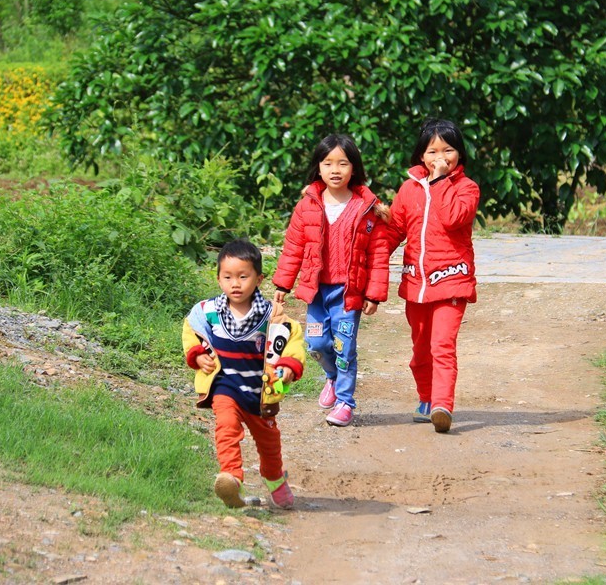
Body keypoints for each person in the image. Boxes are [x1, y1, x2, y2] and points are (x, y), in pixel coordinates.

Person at [273, 133, 390, 427]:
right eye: (328, 163)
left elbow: (378, 254)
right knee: (315, 342)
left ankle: (345, 403)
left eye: (343, 163)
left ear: (354, 168)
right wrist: (282, 286)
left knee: (344, 346)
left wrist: (373, 294)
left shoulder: (366, 208)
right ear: (319, 167)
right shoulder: (308, 205)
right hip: (316, 292)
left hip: (348, 293)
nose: (335, 170)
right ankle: (332, 377)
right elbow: (293, 248)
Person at [182, 238, 305, 509]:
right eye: (227, 277)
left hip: (260, 392)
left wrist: (287, 366)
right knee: (226, 427)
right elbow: (191, 328)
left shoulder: (270, 315)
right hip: (226, 385)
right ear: (218, 279)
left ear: (259, 279)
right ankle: (231, 478)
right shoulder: (209, 311)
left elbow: (292, 339)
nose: (235, 284)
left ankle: (274, 481)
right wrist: (198, 354)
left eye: (243, 276)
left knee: (269, 444)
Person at [385, 118, 480, 434]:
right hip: (416, 285)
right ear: (421, 157)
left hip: (451, 281)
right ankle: (426, 399)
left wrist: (440, 182)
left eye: (449, 150)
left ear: (459, 154)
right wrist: (372, 260)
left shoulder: (467, 188)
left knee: (442, 345)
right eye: (433, 151)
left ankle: (442, 406)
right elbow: (395, 230)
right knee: (421, 350)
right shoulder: (409, 189)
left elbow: (454, 218)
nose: (441, 157)